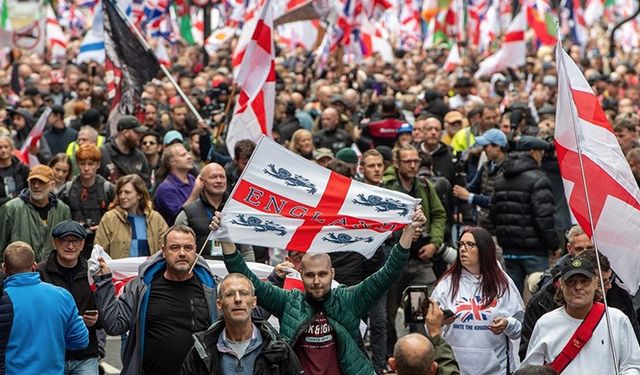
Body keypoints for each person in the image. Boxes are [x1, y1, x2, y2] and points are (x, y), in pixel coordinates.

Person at [214, 208, 427, 374]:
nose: (316, 281)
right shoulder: (288, 302)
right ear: (300, 272)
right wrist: (225, 237)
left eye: (322, 274)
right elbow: (249, 281)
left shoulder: (349, 299)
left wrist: (407, 233)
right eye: (310, 275)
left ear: (332, 273)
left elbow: (387, 274)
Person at [93, 225, 219, 375]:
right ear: (164, 251)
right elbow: (114, 325)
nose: (182, 253)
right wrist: (104, 282)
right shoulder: (142, 286)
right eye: (175, 247)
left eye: (188, 247)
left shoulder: (211, 288)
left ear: (196, 251)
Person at [522, 256, 640, 373]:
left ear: (596, 284)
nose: (578, 287)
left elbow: (632, 365)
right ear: (561, 285)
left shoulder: (616, 319)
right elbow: (532, 369)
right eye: (571, 282)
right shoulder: (545, 323)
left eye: (584, 282)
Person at [431, 227, 524, 375]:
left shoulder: (503, 283)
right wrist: (441, 321)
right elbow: (430, 326)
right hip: (454, 369)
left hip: (496, 370)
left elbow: (521, 329)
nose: (463, 249)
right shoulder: (446, 284)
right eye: (460, 244)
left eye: (470, 245)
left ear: (484, 249)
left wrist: (508, 323)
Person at [383, 144, 447, 353]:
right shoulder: (387, 187)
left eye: (415, 161)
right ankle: (394, 357)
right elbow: (380, 222)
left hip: (419, 261)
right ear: (397, 163)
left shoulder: (425, 186)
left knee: (418, 313)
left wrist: (434, 243)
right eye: (407, 161)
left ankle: (419, 357)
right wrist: (403, 233)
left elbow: (438, 214)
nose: (412, 165)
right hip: (393, 262)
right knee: (388, 314)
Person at [180, 273, 304, 375]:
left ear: (254, 302)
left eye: (244, 293)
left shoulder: (278, 350)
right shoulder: (201, 351)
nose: (238, 299)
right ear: (219, 304)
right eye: (230, 294)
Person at [3, 241, 89, 374]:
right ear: (34, 266)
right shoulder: (62, 296)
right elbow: (81, 341)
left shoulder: (4, 299)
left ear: (4, 268)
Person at [491, 136, 559, 293]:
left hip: (509, 250)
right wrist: (553, 244)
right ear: (532, 152)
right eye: (540, 152)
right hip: (534, 250)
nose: (542, 156)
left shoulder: (501, 178)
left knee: (511, 297)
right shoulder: (539, 179)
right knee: (543, 294)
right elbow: (544, 218)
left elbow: (493, 213)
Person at [38, 220, 101, 374]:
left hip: (86, 355)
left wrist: (98, 320)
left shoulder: (92, 272)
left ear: (82, 244)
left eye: (75, 241)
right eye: (65, 240)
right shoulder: (40, 272)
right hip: (51, 354)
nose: (70, 246)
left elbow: (106, 310)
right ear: (54, 242)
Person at [175, 163, 254, 261]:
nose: (219, 181)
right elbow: (178, 246)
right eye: (213, 177)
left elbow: (247, 250)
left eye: (222, 177)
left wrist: (246, 273)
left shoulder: (236, 210)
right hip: (202, 271)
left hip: (234, 271)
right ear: (202, 182)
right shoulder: (188, 213)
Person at [0, 165, 71, 262]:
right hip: (19, 272)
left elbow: (66, 243)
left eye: (41, 182)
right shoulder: (10, 208)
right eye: (33, 182)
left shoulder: (63, 210)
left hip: (52, 272)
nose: (36, 186)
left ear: (52, 185)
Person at [59, 144, 115, 257]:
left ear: (98, 165)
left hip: (102, 246)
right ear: (77, 165)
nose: (86, 168)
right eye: (82, 164)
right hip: (73, 246)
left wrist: (103, 227)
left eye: (90, 164)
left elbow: (118, 218)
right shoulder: (67, 189)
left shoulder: (108, 189)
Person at [94, 174, 168, 259]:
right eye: (120, 192)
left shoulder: (156, 219)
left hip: (149, 271)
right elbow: (99, 252)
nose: (122, 196)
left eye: (127, 192)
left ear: (139, 195)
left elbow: (166, 249)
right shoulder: (109, 218)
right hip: (118, 271)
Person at [99, 115, 151, 185]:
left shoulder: (140, 157)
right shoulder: (103, 153)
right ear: (126, 132)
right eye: (136, 132)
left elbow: (146, 184)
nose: (140, 135)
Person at [154, 143, 196, 225]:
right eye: (183, 155)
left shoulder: (191, 178)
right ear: (172, 162)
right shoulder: (165, 188)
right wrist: (196, 192)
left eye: (188, 153)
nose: (189, 156)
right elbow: (180, 217)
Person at [0, 135, 29, 206]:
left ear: (12, 149)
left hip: (21, 209)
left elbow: (29, 189)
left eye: (6, 147)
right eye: (0, 147)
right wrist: (10, 200)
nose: (3, 150)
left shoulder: (22, 168)